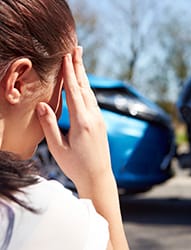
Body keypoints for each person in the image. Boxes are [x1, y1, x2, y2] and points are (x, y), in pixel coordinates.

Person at [0, 0, 129, 249]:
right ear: (18, 83)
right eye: (62, 88)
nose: (60, 110)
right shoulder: (39, 214)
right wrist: (97, 177)